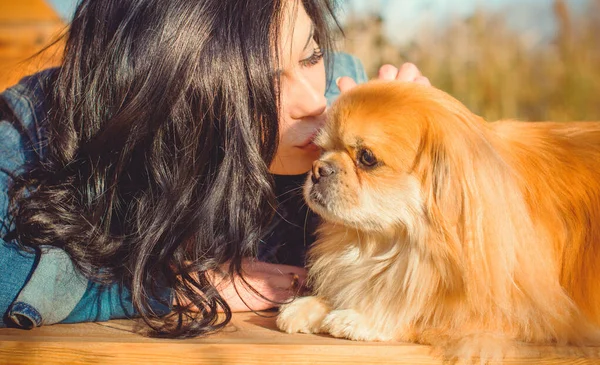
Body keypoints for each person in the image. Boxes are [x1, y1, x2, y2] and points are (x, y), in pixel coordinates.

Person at [0, 0, 429, 338]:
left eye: (310, 55)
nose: (313, 103)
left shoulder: (346, 98)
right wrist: (176, 286)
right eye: (264, 84)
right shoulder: (37, 132)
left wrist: (435, 157)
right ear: (169, 105)